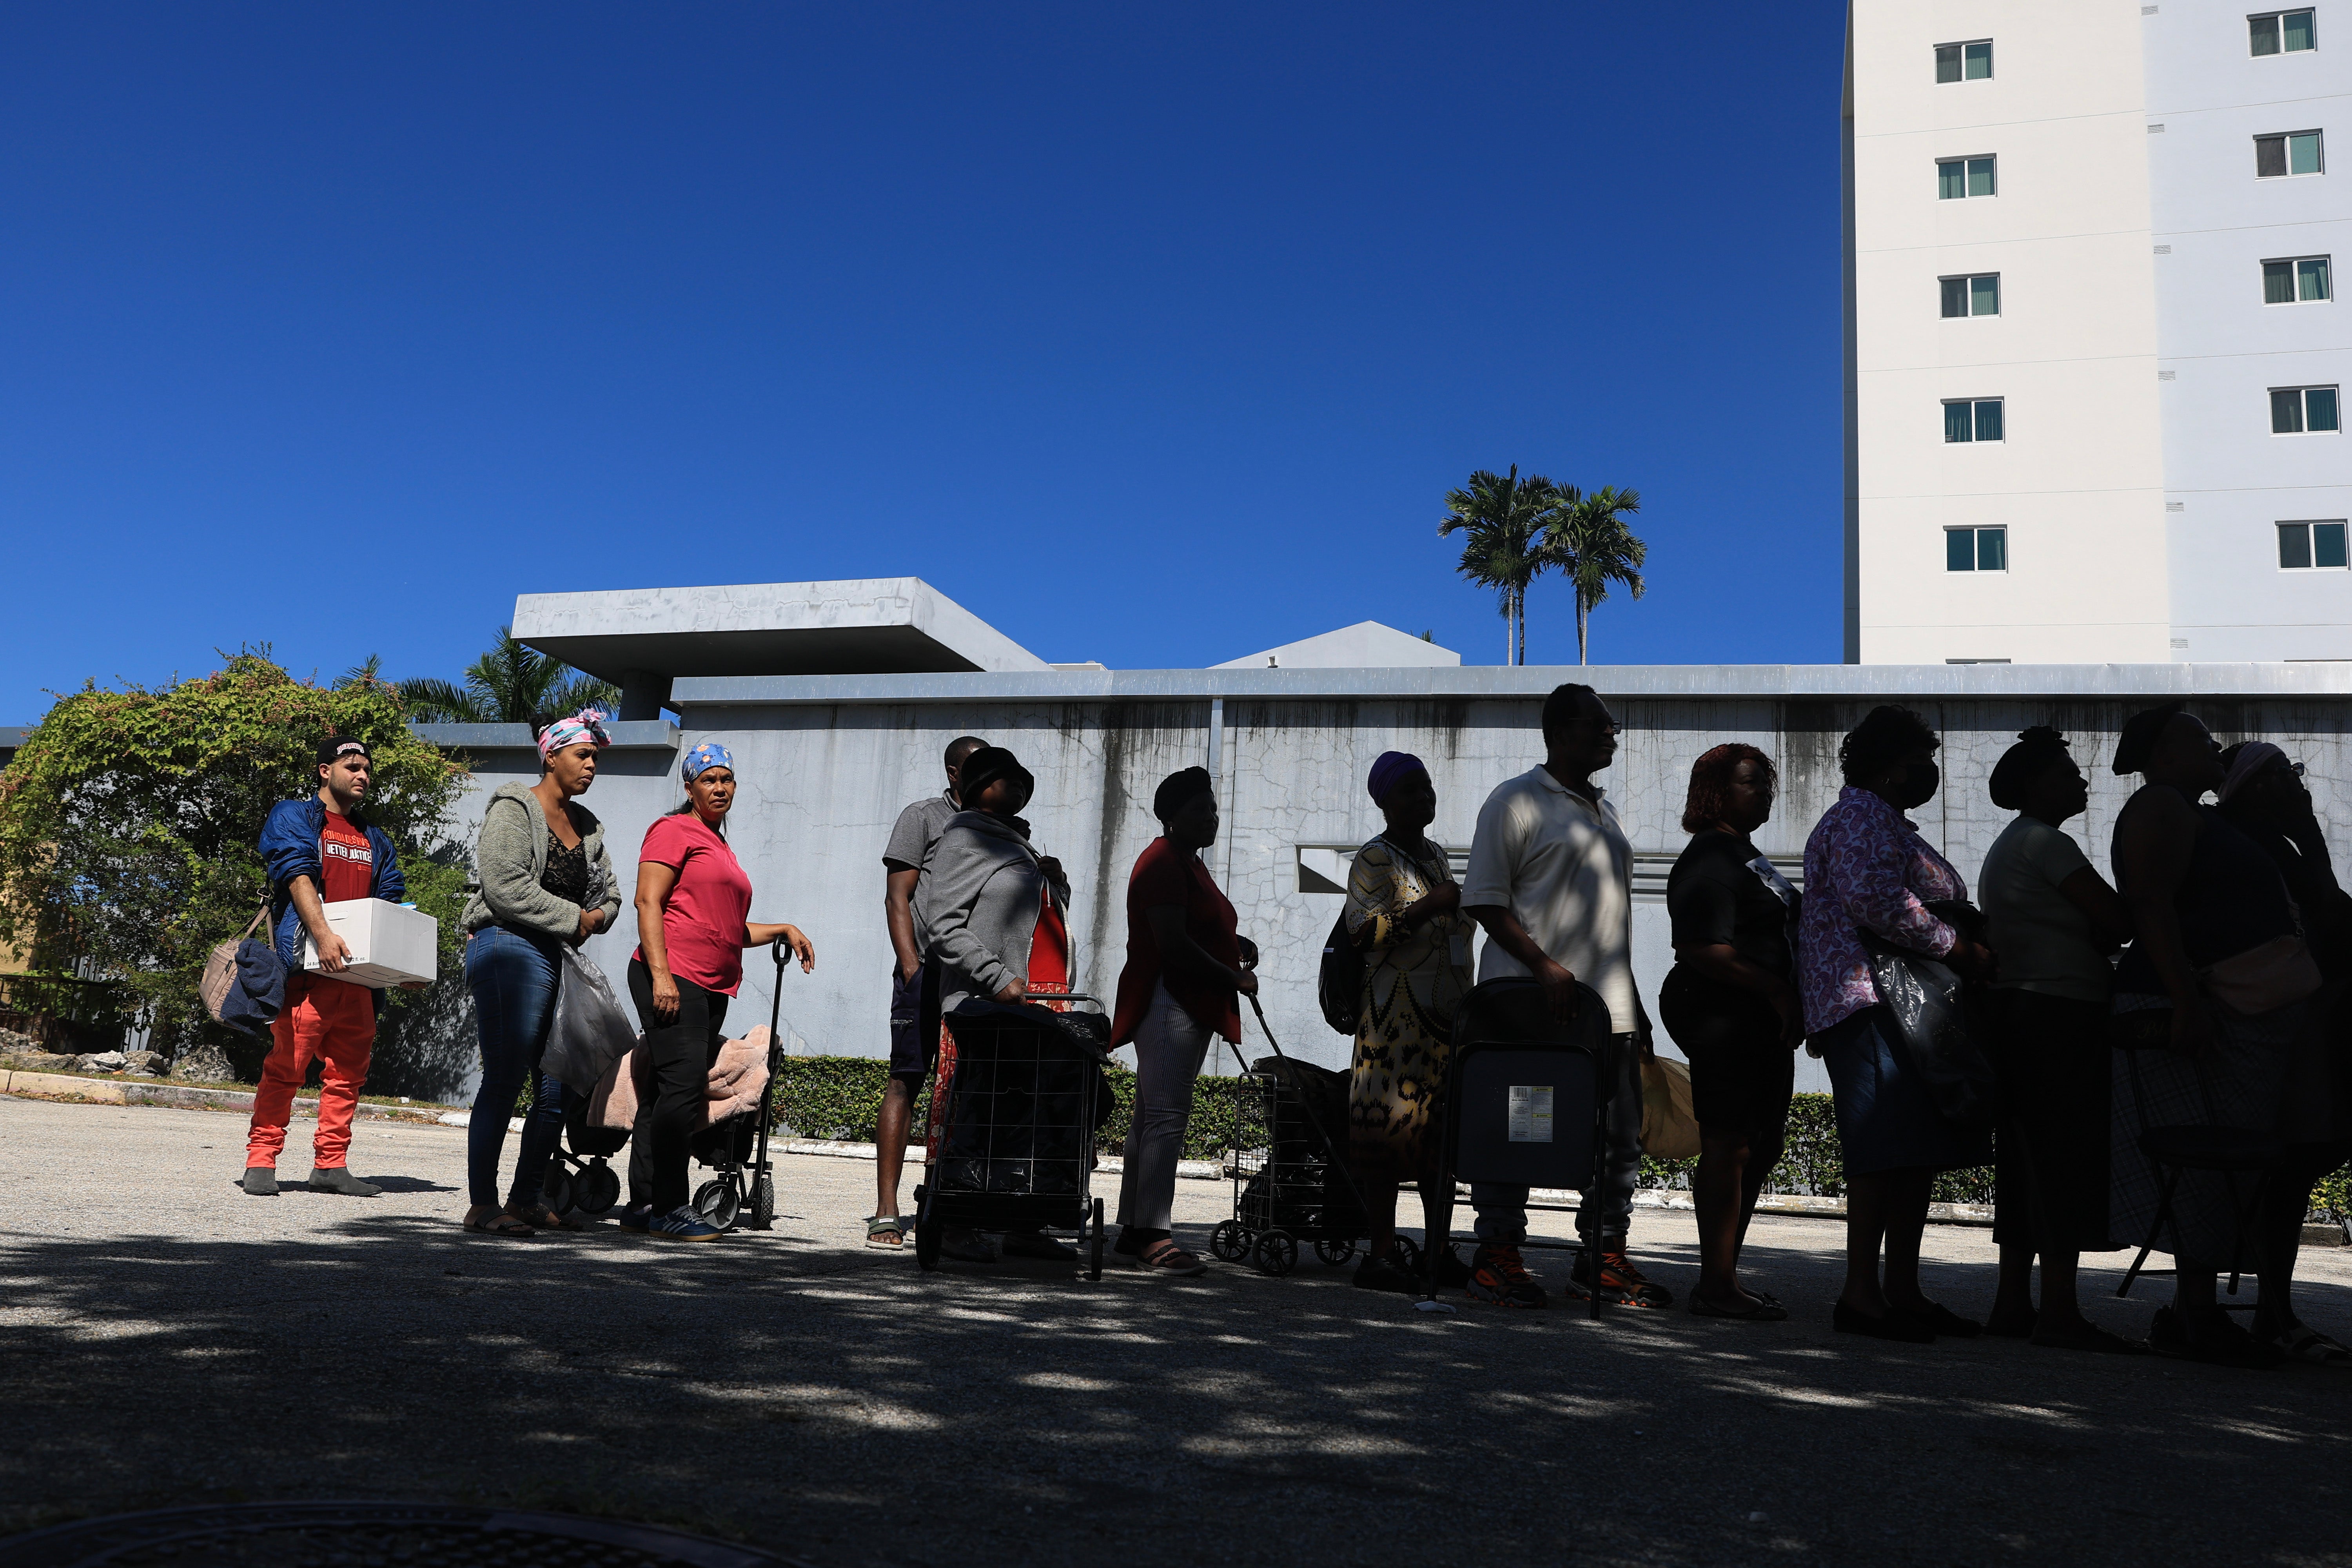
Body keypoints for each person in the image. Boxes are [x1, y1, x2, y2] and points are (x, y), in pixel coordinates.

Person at [1460, 682, 1666, 1310]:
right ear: (1560, 732)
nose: (1613, 734)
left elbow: (1609, 922)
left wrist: (1634, 1002)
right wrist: (1544, 967)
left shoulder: (1605, 812)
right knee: (1520, 1130)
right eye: (1600, 724)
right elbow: (1486, 902)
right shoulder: (1516, 801)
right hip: (1532, 1005)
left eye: (1614, 725)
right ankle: (1497, 1256)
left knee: (1617, 1138)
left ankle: (1600, 1259)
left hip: (1609, 1012)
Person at [1798, 704, 1999, 1343]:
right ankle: (1862, 1293)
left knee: (1911, 1155)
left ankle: (1902, 1291)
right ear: (1888, 769)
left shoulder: (1883, 821)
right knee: (1883, 1153)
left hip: (1900, 1004)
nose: (1930, 774)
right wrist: (1959, 947)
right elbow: (1876, 901)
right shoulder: (1861, 818)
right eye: (1921, 763)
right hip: (1872, 1002)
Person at [1976, 727, 2143, 1353]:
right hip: (2061, 1014)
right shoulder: (2047, 842)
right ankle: (2061, 1310)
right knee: (2064, 1158)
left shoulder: (2011, 844)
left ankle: (2014, 1302)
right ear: (2033, 786)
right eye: (2068, 774)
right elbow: (2118, 916)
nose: (2082, 782)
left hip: (2023, 1013)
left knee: (2026, 1162)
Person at [619, 741, 816, 1241]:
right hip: (672, 975)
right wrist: (662, 976)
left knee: (666, 1089)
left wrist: (782, 929)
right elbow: (648, 900)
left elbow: (728, 929)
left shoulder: (719, 844)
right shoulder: (673, 829)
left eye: (727, 779)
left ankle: (643, 1203)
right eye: (709, 779)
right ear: (689, 787)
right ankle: (669, 1208)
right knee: (683, 1087)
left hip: (709, 983)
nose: (720, 787)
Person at [2199, 737, 2352, 1364]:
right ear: (2257, 786)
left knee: (2295, 1158)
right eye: (2285, 775)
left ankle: (2270, 1309)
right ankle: (2270, 1312)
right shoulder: (2248, 843)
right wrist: (2309, 833)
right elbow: (2334, 915)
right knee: (2285, 1159)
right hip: (2276, 1018)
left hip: (2298, 1013)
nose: (2298, 784)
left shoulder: (2266, 840)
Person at [455, 708, 625, 1239]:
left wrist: (595, 918)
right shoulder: (514, 806)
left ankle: (526, 1198)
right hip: (508, 946)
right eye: (583, 754)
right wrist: (577, 918)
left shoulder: (589, 826)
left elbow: (612, 894)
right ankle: (483, 1206)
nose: (592, 764)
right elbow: (504, 885)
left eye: (595, 755)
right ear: (551, 756)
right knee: (505, 1079)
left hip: (558, 956)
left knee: (558, 1089)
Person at [919, 744, 1080, 1264]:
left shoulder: (1016, 845)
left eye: (1021, 781)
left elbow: (1036, 921)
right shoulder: (964, 839)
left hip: (1034, 1004)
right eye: (1004, 779)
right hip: (988, 1005)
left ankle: (1025, 1224)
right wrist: (997, 977)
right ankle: (956, 1223)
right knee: (983, 1108)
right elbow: (942, 925)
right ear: (976, 787)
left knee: (1029, 1114)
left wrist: (1053, 881)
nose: (1017, 787)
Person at [1659, 743, 1800, 1322]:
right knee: (1730, 1142)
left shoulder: (1747, 857)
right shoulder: (1711, 858)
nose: (1763, 791)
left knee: (1760, 1144)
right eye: (1749, 782)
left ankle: (1725, 1278)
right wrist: (1774, 989)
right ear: (1716, 792)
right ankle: (1715, 1286)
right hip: (1722, 1013)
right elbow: (1698, 946)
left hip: (1760, 1020)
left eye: (1766, 782)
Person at [244, 737, 422, 1196]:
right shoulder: (295, 816)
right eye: (353, 766)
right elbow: (295, 872)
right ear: (326, 770)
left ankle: (331, 1164)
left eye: (367, 769)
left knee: (348, 1076)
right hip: (308, 974)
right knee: (286, 1067)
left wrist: (406, 966)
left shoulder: (374, 838)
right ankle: (261, 1160)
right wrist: (323, 934)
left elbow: (392, 903)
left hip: (359, 982)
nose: (363, 775)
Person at [1108, 766, 1256, 1276]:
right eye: (1201, 810)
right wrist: (1232, 977)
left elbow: (1199, 927)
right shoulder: (1164, 863)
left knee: (1149, 1121)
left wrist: (1234, 949)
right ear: (1172, 817)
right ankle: (1154, 1234)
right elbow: (1171, 944)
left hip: (1181, 1000)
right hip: (1169, 1001)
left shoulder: (1187, 863)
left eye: (1214, 809)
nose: (1212, 818)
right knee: (1166, 1120)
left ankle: (1133, 1229)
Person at [1342, 751, 1474, 1295]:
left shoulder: (1438, 855)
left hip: (1442, 1023)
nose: (1424, 799)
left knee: (1437, 1142)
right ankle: (1380, 1255)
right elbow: (1362, 934)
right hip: (1392, 1025)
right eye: (1411, 791)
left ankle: (1437, 1252)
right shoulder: (1374, 859)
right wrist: (1425, 908)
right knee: (1387, 1140)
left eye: (1428, 789)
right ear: (1385, 800)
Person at [872, 734, 988, 1249]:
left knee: (967, 1092)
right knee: (906, 1081)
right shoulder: (923, 817)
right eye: (975, 767)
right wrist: (912, 968)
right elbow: (898, 899)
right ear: (953, 773)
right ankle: (887, 1211)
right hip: (925, 974)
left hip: (973, 981)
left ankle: (953, 1205)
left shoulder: (994, 828)